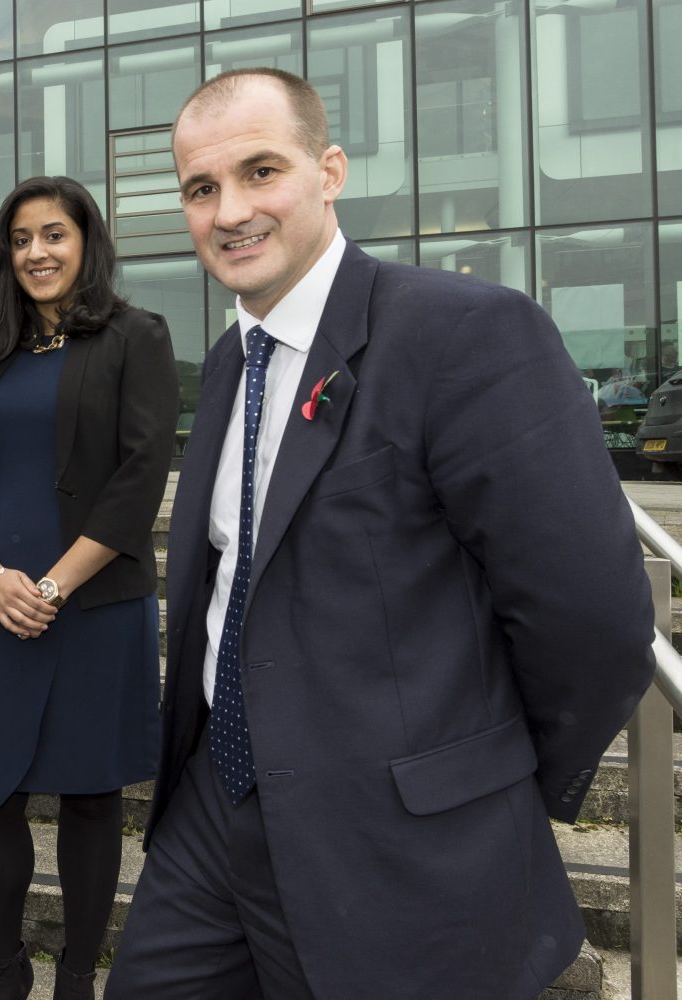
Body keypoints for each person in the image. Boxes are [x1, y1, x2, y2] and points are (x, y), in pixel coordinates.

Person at [105, 67, 655, 999]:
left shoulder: (466, 335)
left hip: (392, 844)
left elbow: (593, 619)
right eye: (201, 189)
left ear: (330, 170)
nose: (229, 210)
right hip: (213, 814)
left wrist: (476, 790)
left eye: (260, 172)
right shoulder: (231, 362)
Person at [0, 176, 178, 999]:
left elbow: (142, 478)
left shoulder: (135, 336)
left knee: (90, 794)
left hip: (95, 605)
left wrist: (54, 587)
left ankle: (78, 974)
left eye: (54, 235)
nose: (37, 252)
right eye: (21, 238)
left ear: (86, 243)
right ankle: (5, 969)